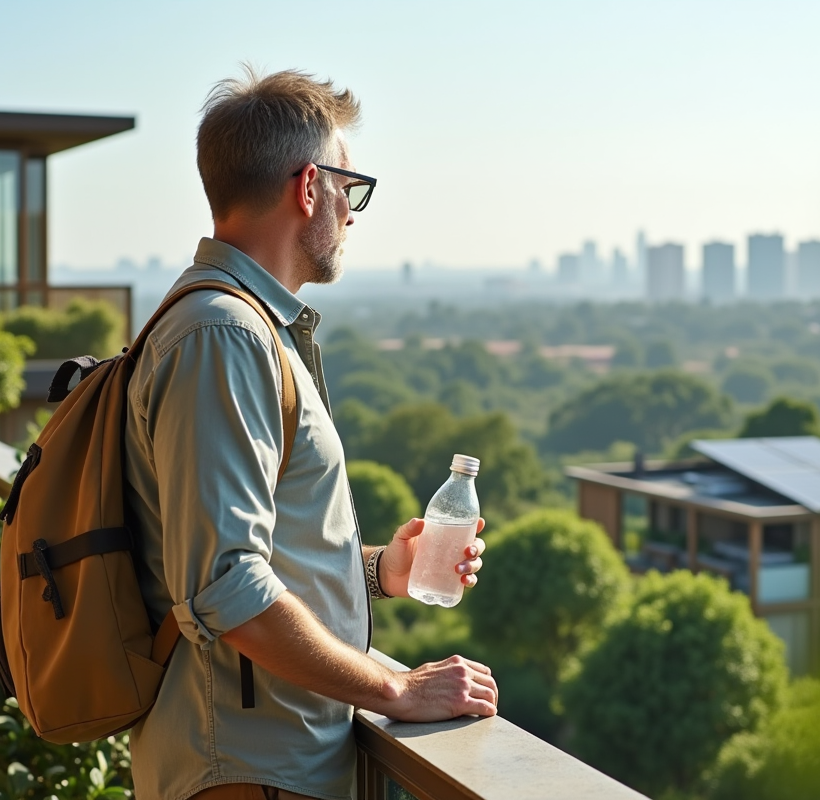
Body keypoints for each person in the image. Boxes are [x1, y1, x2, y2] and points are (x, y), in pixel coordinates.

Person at [123, 69, 497, 800]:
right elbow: (224, 586)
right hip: (246, 769)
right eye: (348, 190)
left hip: (261, 765)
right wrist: (395, 689)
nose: (351, 215)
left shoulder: (243, 328)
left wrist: (380, 570)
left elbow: (243, 554)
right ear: (307, 188)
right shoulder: (223, 338)